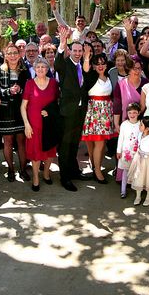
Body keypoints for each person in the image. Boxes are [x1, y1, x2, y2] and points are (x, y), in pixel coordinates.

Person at [0, 43, 30, 182]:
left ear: (19, 55)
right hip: (5, 110)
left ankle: (23, 170)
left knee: (21, 141)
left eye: (15, 53)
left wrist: (20, 90)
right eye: (10, 53)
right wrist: (8, 91)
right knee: (7, 141)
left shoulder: (24, 70)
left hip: (20, 110)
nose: (12, 56)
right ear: (5, 56)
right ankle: (11, 170)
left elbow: (29, 88)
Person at [54, 41, 91, 191]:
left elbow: (85, 78)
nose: (77, 53)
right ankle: (65, 178)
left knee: (74, 144)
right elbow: (57, 64)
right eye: (74, 50)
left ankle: (74, 171)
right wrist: (62, 44)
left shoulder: (82, 64)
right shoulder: (64, 64)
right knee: (65, 145)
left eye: (79, 51)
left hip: (80, 111)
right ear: (70, 51)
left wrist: (87, 57)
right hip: (67, 112)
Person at [21, 58, 59, 191]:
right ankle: (36, 177)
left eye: (44, 67)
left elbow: (58, 103)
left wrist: (51, 112)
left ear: (48, 69)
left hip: (49, 125)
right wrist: (26, 124)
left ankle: (47, 174)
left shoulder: (54, 83)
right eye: (38, 67)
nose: (41, 69)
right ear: (34, 69)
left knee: (49, 152)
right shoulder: (29, 84)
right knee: (36, 153)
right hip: (34, 125)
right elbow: (23, 106)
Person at [81, 52, 114, 183]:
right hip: (95, 113)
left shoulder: (109, 76)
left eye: (102, 63)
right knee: (98, 143)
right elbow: (85, 70)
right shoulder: (90, 77)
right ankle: (97, 171)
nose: (100, 66)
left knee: (102, 143)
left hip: (107, 112)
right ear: (93, 66)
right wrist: (87, 58)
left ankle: (96, 166)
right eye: (97, 64)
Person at [128, 116, 149, 206]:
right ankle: (138, 196)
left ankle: (148, 197)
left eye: (141, 125)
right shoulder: (140, 135)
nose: (139, 126)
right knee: (138, 178)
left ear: (147, 128)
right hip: (139, 160)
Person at [116, 102, 142, 198]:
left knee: (137, 171)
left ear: (138, 113)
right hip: (126, 151)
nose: (132, 115)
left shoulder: (140, 124)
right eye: (130, 113)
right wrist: (119, 151)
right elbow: (121, 138)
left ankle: (137, 190)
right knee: (125, 171)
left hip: (136, 152)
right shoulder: (124, 124)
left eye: (134, 112)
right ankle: (123, 190)